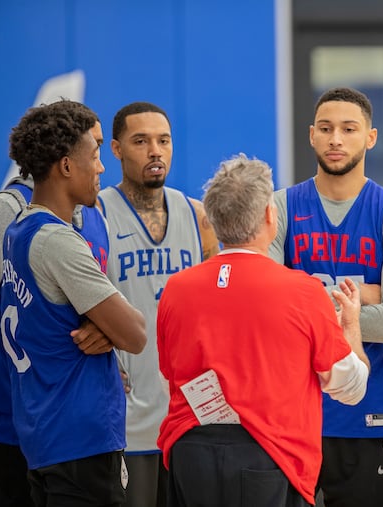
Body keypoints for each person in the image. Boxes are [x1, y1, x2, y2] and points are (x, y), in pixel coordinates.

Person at [157, 154, 371, 507]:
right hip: (271, 456)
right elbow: (350, 387)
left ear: (213, 220)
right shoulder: (303, 291)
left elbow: (170, 370)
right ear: (271, 216)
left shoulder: (176, 289)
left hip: (188, 453)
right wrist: (351, 327)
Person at [268, 87, 383, 507]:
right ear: (311, 136)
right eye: (326, 128)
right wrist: (363, 301)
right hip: (290, 417)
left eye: (349, 129)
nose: (336, 139)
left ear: (370, 137)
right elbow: (266, 313)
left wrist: (302, 295)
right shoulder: (277, 208)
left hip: (369, 416)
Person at [0, 99, 146, 506]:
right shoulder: (58, 240)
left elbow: (54, 317)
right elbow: (135, 334)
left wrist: (103, 325)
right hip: (81, 441)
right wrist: (112, 327)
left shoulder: (19, 230)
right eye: (96, 155)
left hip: (43, 435)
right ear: (66, 166)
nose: (101, 168)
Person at [97, 101, 219, 507]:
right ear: (115, 149)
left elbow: (220, 307)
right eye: (141, 141)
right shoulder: (96, 215)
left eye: (163, 140)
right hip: (127, 416)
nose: (155, 151)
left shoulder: (198, 216)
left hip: (188, 416)